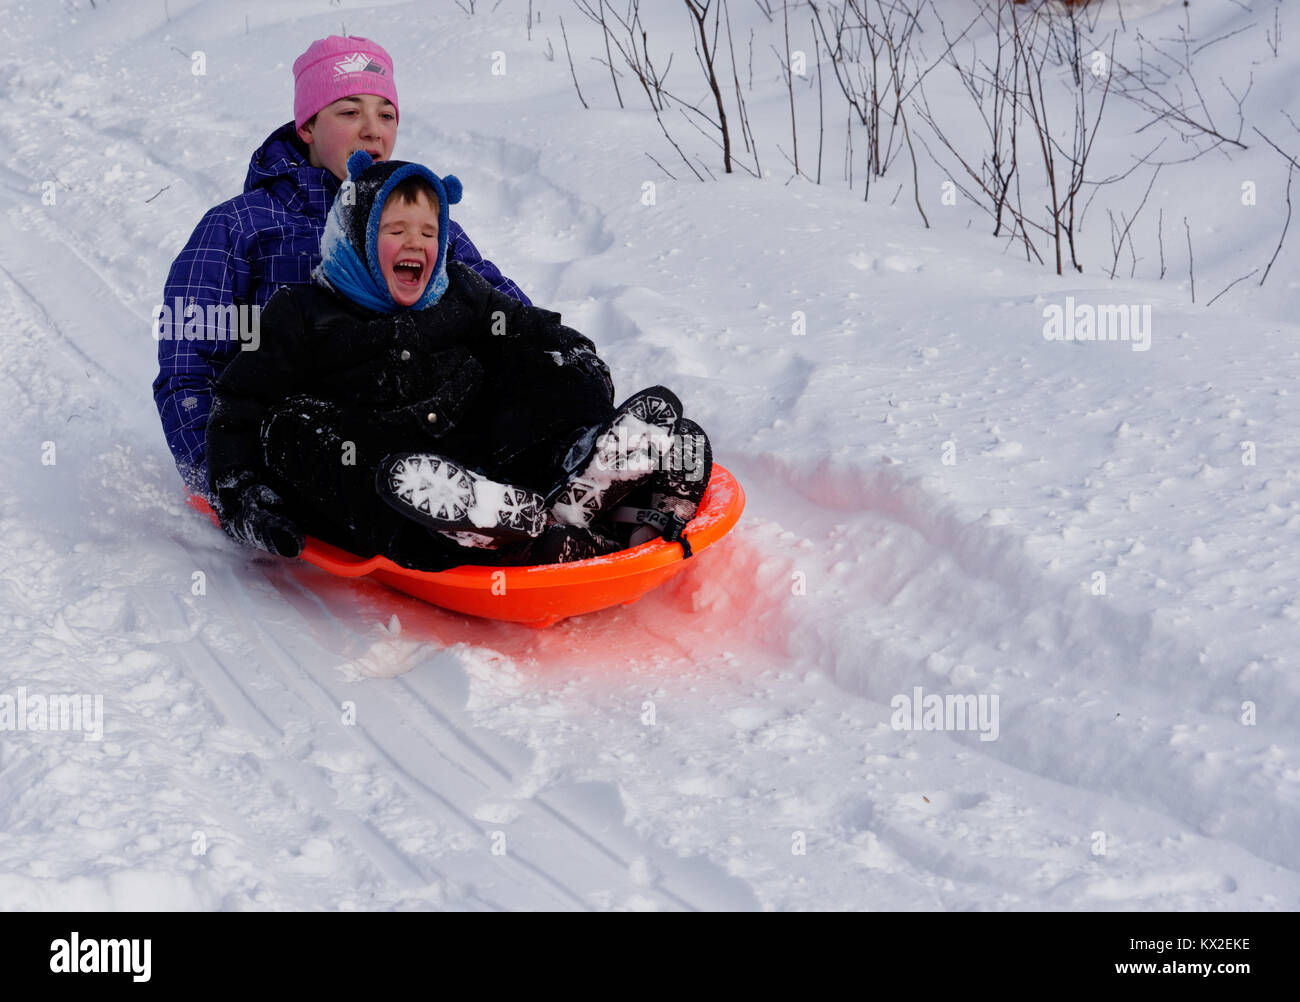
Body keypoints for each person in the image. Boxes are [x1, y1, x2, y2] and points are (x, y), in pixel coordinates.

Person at [205, 152, 712, 570]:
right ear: (354, 238)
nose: (416, 243)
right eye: (395, 229)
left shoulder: (460, 293)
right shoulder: (301, 313)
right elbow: (241, 404)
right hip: (390, 483)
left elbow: (531, 328)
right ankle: (473, 533)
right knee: (293, 427)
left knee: (535, 359)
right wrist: (242, 493)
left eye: (429, 233)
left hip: (488, 463)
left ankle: (575, 477)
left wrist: (574, 357)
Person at [153, 35, 531, 499]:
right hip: (309, 453)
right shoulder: (238, 228)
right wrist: (231, 480)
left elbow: (506, 316)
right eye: (350, 112)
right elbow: (187, 370)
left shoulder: (417, 221)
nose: (374, 130)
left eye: (386, 115)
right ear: (307, 126)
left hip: (434, 433)